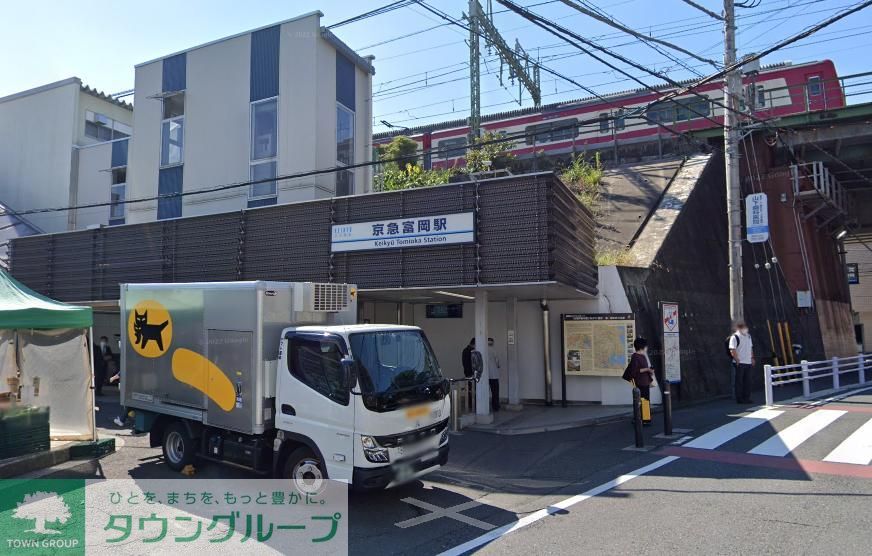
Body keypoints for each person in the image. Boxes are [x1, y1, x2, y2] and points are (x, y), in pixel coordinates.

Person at [623, 338, 655, 425]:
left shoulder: (643, 356)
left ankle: (645, 419)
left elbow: (642, 369)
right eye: (645, 346)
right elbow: (635, 371)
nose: (647, 348)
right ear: (642, 347)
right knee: (641, 401)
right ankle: (641, 419)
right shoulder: (635, 357)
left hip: (645, 381)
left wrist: (650, 371)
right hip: (639, 382)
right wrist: (647, 369)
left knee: (645, 400)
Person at [729, 321, 755, 404]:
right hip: (739, 362)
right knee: (739, 382)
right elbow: (732, 349)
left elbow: (750, 348)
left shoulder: (748, 336)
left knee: (748, 381)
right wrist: (737, 360)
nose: (745, 329)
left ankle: (746, 398)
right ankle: (739, 399)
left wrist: (752, 358)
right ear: (739, 328)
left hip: (748, 362)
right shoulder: (735, 337)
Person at [487, 337, 501, 412]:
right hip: (494, 375)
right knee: (495, 392)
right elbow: (497, 362)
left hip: (485, 375)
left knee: (485, 392)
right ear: (492, 343)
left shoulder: (483, 350)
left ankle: (484, 407)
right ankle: (495, 406)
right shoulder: (494, 350)